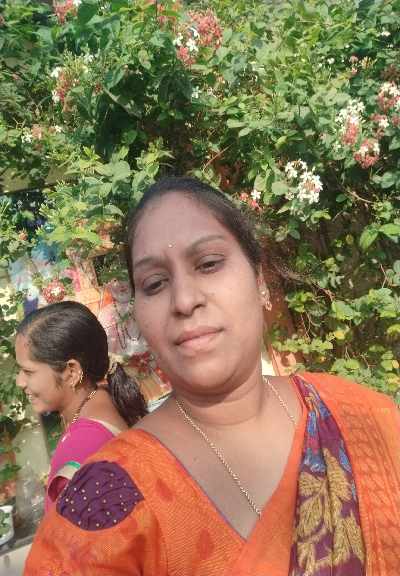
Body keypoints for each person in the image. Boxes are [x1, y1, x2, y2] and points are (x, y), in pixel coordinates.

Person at [24, 177, 400, 575]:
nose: (185, 300)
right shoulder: (102, 505)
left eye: (208, 264)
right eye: (155, 284)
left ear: (259, 280)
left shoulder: (362, 416)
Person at [15, 301, 147, 511]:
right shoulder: (102, 399)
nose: (19, 382)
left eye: (28, 372)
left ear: (71, 372)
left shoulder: (82, 445)